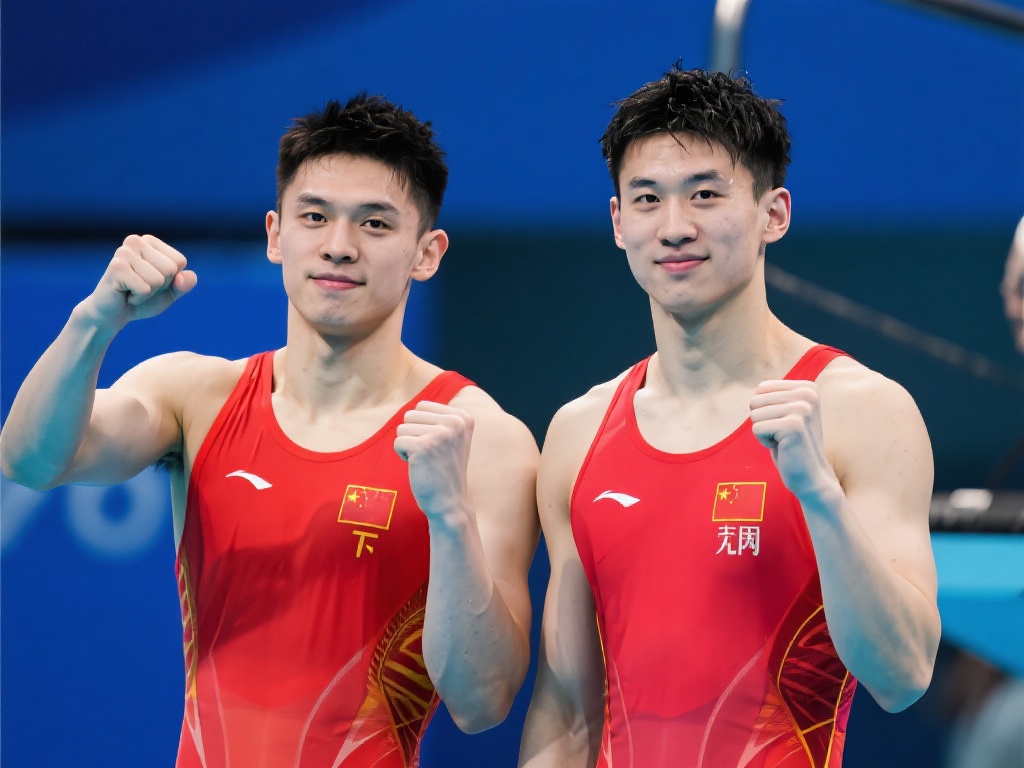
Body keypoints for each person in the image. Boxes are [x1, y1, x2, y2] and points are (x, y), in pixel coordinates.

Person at [0, 94, 540, 767]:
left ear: (426, 253)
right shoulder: (196, 397)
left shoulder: (482, 438)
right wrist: (94, 321)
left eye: (375, 223)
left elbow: (483, 702)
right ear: (276, 235)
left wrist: (450, 518)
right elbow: (29, 460)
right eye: (315, 217)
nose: (338, 246)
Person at [518, 65, 941, 767]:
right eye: (647, 199)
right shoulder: (579, 431)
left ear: (774, 213)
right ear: (619, 223)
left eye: (705, 195)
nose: (674, 227)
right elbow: (566, 709)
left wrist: (819, 498)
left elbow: (903, 675)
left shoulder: (863, 411)